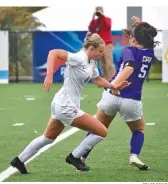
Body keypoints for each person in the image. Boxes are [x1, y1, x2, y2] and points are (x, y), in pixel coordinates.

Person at [10, 33, 130, 174]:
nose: (102, 54)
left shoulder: (91, 62)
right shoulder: (79, 58)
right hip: (66, 107)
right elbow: (53, 53)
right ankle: (74, 157)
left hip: (60, 104)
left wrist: (113, 86)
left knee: (48, 138)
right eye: (100, 51)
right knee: (102, 131)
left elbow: (97, 79)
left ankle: (19, 160)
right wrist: (49, 76)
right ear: (91, 48)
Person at [71, 16, 159, 171]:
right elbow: (146, 36)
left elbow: (129, 68)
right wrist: (139, 25)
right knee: (138, 130)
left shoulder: (128, 50)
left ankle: (81, 157)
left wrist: (115, 85)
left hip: (111, 95)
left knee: (97, 128)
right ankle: (134, 156)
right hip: (132, 101)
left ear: (133, 39)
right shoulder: (150, 52)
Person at [88, 6, 115, 81]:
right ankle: (106, 79)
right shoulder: (96, 21)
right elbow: (91, 28)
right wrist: (93, 17)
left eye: (100, 11)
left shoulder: (107, 19)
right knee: (102, 63)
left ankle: (113, 79)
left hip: (107, 44)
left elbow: (108, 26)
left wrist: (102, 15)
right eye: (97, 11)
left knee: (109, 62)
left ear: (103, 11)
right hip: (99, 45)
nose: (98, 12)